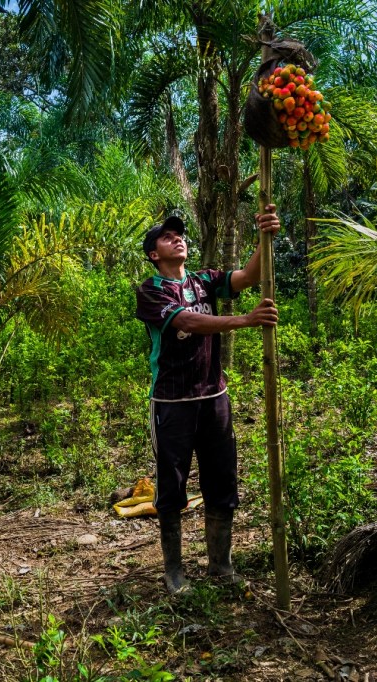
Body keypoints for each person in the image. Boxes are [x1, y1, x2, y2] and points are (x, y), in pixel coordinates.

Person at [135, 207, 280, 595]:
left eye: (179, 235)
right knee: (172, 485)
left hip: (214, 396)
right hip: (171, 401)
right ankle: (175, 571)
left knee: (221, 478)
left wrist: (264, 236)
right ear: (154, 254)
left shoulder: (204, 281)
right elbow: (186, 322)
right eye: (167, 237)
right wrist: (245, 321)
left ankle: (220, 564)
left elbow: (248, 277)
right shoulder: (151, 290)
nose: (177, 239)